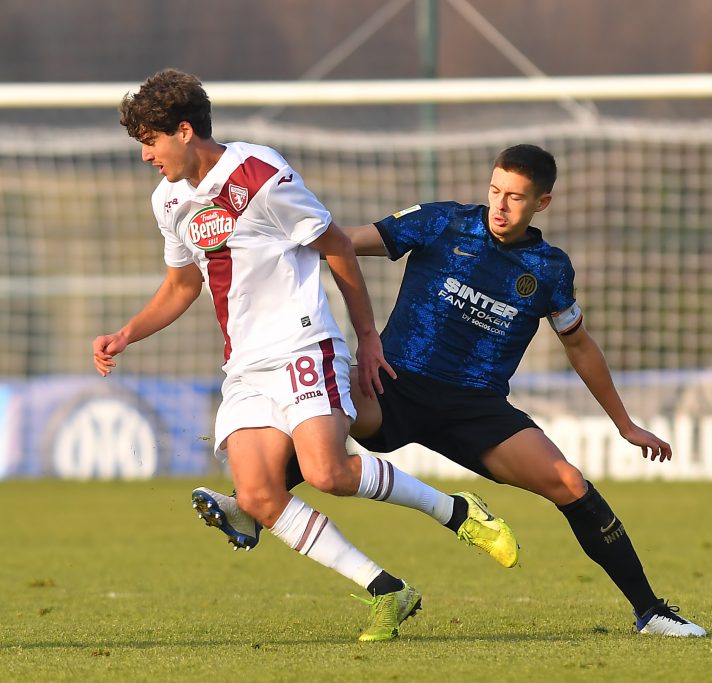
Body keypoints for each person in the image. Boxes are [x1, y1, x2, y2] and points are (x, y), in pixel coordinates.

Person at [192, 144, 707, 638]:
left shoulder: (550, 269)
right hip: (392, 383)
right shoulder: (442, 222)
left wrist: (625, 424)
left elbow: (579, 346)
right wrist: (262, 239)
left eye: (515, 197)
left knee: (570, 483)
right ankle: (249, 501)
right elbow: (338, 244)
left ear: (542, 202)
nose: (500, 205)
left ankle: (650, 612)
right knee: (320, 409)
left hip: (475, 408)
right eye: (495, 190)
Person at [92, 69, 518, 642]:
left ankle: (457, 512)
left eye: (151, 141)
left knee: (327, 472)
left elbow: (337, 245)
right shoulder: (168, 200)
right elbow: (181, 285)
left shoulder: (259, 174)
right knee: (257, 497)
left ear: (185, 131)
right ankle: (388, 591)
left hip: (302, 341)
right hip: (245, 366)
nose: (146, 155)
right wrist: (126, 333)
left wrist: (367, 336)